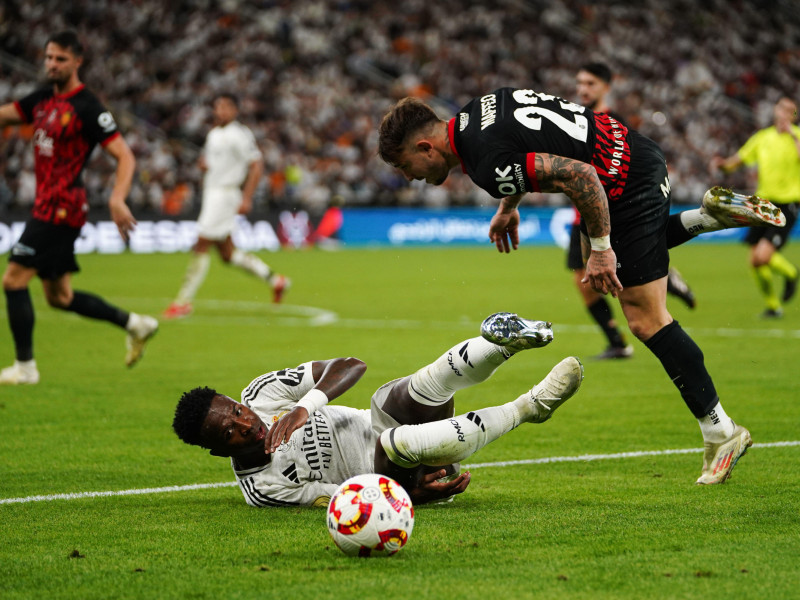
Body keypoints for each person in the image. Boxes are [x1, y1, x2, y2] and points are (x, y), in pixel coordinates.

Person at [377, 90, 787, 484]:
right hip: (633, 152)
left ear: (427, 148)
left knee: (645, 318)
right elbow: (530, 145)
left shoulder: (484, 161)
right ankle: (706, 218)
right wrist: (509, 206)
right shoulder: (479, 109)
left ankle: (721, 433)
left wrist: (604, 249)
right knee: (602, 262)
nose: (409, 178)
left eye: (404, 165)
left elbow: (579, 174)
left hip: (621, 184)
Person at [172, 312, 583, 507]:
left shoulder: (262, 393)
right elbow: (349, 498)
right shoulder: (264, 487)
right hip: (400, 475)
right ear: (218, 451)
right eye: (229, 433)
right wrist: (414, 496)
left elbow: (351, 367)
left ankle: (505, 342)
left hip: (395, 425)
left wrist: (303, 407)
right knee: (393, 442)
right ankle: (532, 406)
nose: (245, 424)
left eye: (238, 412)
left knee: (399, 394)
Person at [0, 30, 158, 385]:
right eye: (48, 57)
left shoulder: (88, 107)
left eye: (59, 59)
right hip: (47, 205)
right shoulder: (41, 99)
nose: (51, 64)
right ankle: (136, 324)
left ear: (77, 61)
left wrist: (117, 198)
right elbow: (5, 115)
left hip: (61, 208)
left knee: (13, 279)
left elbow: (124, 155)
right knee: (59, 297)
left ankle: (25, 367)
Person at [572, 62, 695, 360]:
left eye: (590, 83)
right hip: (582, 212)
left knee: (612, 278)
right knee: (585, 282)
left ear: (605, 87)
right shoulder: (576, 119)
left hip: (608, 214)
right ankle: (617, 342)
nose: (583, 89)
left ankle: (663, 276)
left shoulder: (611, 121)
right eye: (580, 83)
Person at [163, 94, 289, 319]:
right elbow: (214, 164)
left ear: (235, 110)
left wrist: (247, 197)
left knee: (201, 244)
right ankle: (276, 280)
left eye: (225, 107)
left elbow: (256, 165)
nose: (220, 111)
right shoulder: (213, 134)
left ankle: (183, 301)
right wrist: (206, 167)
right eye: (217, 106)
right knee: (227, 254)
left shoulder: (239, 134)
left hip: (225, 194)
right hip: (212, 193)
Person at [710, 96, 800, 319]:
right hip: (762, 203)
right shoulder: (762, 138)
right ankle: (773, 306)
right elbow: (739, 160)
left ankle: (791, 273)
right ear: (775, 111)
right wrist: (723, 166)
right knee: (754, 260)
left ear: (793, 116)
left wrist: (792, 135)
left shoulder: (797, 136)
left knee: (762, 256)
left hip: (787, 203)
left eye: (790, 111)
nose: (784, 114)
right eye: (781, 109)